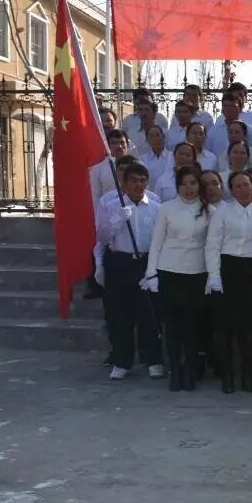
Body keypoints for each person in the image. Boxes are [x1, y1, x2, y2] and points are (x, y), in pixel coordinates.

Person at [142, 166, 214, 391]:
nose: (188, 188)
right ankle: (174, 370)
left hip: (197, 273)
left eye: (193, 183)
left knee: (192, 327)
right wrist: (151, 273)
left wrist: (213, 276)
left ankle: (189, 370)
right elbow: (156, 243)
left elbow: (212, 247)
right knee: (172, 327)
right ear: (177, 186)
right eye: (183, 184)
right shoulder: (166, 209)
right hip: (169, 271)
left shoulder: (209, 211)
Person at [96, 163, 163, 381]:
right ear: (124, 183)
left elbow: (160, 240)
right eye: (133, 180)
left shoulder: (156, 207)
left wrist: (154, 270)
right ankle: (122, 361)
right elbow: (102, 237)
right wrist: (117, 220)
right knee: (121, 316)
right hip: (120, 263)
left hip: (145, 262)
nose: (138, 185)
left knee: (149, 315)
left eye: (142, 181)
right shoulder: (111, 205)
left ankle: (153, 360)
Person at [205, 171, 252, 393]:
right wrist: (214, 276)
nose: (243, 189)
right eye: (238, 186)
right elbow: (212, 246)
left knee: (249, 328)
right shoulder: (222, 212)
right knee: (224, 328)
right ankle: (227, 376)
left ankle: (247, 374)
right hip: (227, 270)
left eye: (246, 184)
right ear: (231, 190)